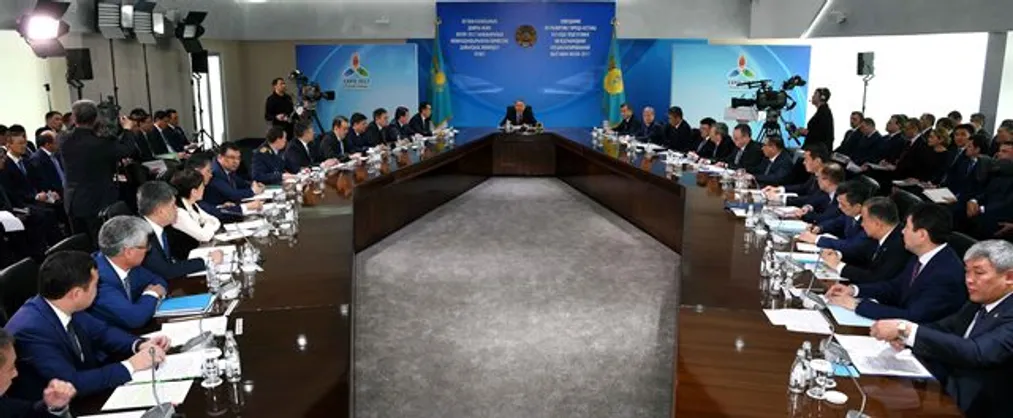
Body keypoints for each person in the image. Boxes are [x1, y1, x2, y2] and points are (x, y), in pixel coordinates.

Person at [870, 240, 1013, 418]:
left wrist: (906, 330)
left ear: (1009, 277)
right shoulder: (979, 300)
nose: (969, 279)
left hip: (980, 405)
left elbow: (977, 352)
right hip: (942, 387)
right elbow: (943, 328)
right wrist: (905, 338)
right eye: (967, 271)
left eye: (979, 273)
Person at [5, 251, 169, 399]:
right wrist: (131, 365)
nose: (98, 289)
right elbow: (71, 382)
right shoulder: (31, 330)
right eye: (95, 285)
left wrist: (139, 344)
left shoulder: (62, 303)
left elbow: (103, 332)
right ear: (76, 294)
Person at [826, 203, 966, 322]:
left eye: (907, 228)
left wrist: (857, 306)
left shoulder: (946, 273)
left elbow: (913, 316)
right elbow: (895, 287)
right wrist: (854, 290)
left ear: (922, 235)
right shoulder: (921, 255)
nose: (902, 232)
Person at [59, 100, 137, 242]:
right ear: (96, 118)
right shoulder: (101, 143)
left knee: (80, 242)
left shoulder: (64, 139)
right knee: (101, 241)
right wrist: (127, 130)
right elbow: (126, 150)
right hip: (98, 201)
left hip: (73, 200)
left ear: (74, 118)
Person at [90, 216, 169, 329]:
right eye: (146, 246)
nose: (148, 250)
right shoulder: (97, 279)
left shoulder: (126, 264)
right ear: (129, 252)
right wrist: (152, 294)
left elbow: (158, 280)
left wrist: (148, 297)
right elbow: (135, 318)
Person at [821, 196, 910, 284]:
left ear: (877, 224)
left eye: (864, 219)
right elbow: (862, 255)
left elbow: (876, 278)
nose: (862, 224)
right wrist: (838, 255)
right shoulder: (883, 234)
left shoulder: (898, 245)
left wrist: (839, 266)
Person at [137, 182, 217, 279]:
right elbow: (166, 271)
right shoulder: (141, 235)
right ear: (160, 211)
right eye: (173, 205)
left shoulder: (156, 227)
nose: (177, 209)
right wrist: (208, 260)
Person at [0, 327, 77, 418]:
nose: (15, 373)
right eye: (11, 368)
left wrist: (54, 406)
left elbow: (29, 413)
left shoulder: (7, 406)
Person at [798, 181, 875, 260]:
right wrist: (819, 227)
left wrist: (816, 239)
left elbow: (852, 246)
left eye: (843, 204)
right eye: (838, 202)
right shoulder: (850, 213)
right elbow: (837, 222)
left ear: (857, 207)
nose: (839, 207)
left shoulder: (869, 223)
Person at [202, 143, 264, 214]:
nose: (236, 161)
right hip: (215, 213)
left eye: (238, 158)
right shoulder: (214, 172)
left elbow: (240, 182)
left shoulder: (227, 169)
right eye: (232, 157)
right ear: (220, 157)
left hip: (228, 207)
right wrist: (253, 191)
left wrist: (253, 184)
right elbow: (233, 194)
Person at [764, 144, 829, 206]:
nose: (804, 162)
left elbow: (812, 199)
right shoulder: (815, 174)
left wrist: (782, 199)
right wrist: (780, 189)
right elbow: (803, 187)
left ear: (817, 161)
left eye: (806, 159)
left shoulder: (828, 178)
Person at [170, 168, 221, 244]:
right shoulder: (179, 213)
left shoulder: (193, 204)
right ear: (194, 192)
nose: (204, 188)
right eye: (202, 186)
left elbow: (215, 220)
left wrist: (205, 226)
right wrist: (208, 224)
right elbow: (204, 237)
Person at [26, 131, 64, 197]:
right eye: (56, 142)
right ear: (47, 144)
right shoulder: (36, 159)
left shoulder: (56, 155)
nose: (58, 144)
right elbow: (42, 182)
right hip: (53, 196)